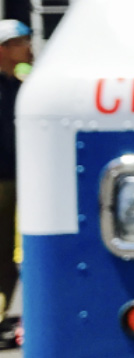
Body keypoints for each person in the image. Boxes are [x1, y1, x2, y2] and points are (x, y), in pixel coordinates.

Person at [0, 20, 31, 348]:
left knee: (12, 254)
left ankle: (7, 316)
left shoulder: (19, 86)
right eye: (21, 42)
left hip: (16, 179)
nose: (28, 47)